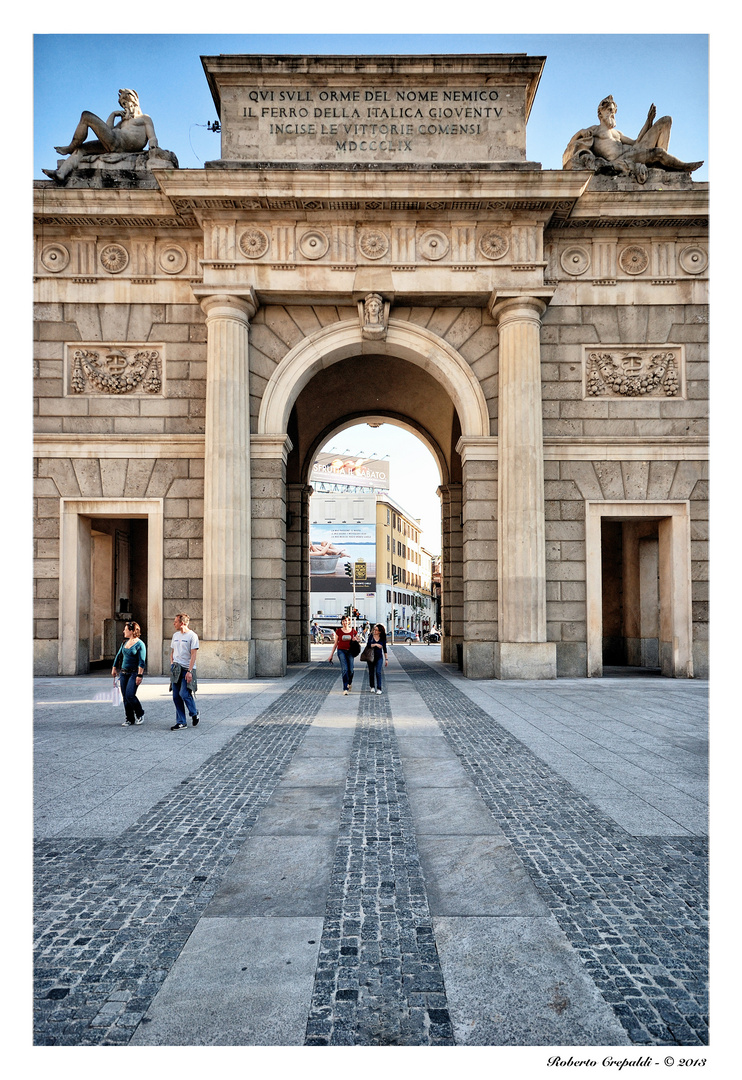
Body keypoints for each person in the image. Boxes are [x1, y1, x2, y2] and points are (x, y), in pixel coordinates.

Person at [562, 96, 703, 184]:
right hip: (621, 160)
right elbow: (571, 146)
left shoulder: (617, 133)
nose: (612, 113)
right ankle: (683, 167)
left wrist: (648, 121)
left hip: (633, 152)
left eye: (613, 111)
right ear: (601, 112)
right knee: (658, 152)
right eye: (609, 110)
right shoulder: (595, 130)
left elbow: (636, 142)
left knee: (666, 121)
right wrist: (580, 132)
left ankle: (658, 168)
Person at [45, 89, 159, 183]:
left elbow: (152, 136)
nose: (124, 107)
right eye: (122, 104)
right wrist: (113, 115)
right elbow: (108, 131)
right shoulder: (122, 123)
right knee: (81, 149)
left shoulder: (144, 118)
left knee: (86, 116)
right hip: (114, 141)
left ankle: (70, 147)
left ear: (133, 101)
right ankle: (61, 173)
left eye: (125, 103)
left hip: (122, 143)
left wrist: (153, 147)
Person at [112, 621, 146, 726]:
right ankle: (129, 718)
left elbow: (142, 661)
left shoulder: (140, 644)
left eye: (125, 629)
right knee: (125, 697)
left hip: (134, 673)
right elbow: (118, 655)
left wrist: (139, 675)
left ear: (131, 631)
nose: (123, 631)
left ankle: (140, 713)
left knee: (130, 695)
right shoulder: (124, 643)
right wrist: (114, 668)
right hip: (123, 673)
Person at [170, 612, 200, 730]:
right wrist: (172, 664)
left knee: (184, 693)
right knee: (176, 696)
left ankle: (194, 713)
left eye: (176, 621)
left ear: (182, 623)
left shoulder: (192, 636)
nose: (174, 623)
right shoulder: (175, 636)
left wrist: (190, 671)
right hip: (176, 668)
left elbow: (193, 655)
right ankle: (181, 722)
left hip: (187, 669)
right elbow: (172, 652)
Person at [328, 614, 358, 694]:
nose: (345, 622)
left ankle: (349, 683)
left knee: (351, 670)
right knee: (344, 669)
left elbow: (357, 641)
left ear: (349, 622)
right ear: (342, 622)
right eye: (343, 620)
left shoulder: (353, 631)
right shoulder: (339, 631)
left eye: (346, 620)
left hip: (350, 651)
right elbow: (335, 643)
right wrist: (331, 655)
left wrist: (355, 639)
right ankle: (345, 688)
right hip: (341, 651)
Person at [365, 624, 388, 695]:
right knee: (371, 673)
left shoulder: (382, 638)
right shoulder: (371, 636)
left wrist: (386, 659)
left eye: (376, 630)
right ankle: (372, 686)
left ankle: (379, 688)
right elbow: (368, 644)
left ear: (380, 632)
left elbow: (384, 649)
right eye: (374, 629)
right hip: (371, 657)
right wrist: (375, 645)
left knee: (378, 672)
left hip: (379, 657)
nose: (375, 631)